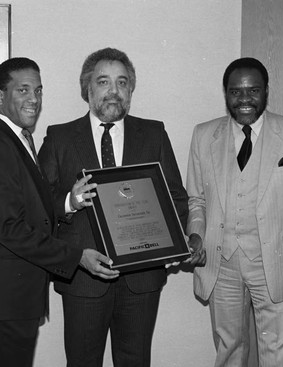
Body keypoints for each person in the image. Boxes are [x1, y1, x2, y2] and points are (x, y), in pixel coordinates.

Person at [38, 47, 188, 367]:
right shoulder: (60, 137)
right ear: (87, 89)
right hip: (82, 278)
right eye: (103, 82)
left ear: (130, 90)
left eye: (122, 83)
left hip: (142, 280)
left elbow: (176, 198)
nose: (113, 91)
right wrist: (70, 201)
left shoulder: (153, 133)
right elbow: (37, 208)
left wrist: (174, 245)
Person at [0, 57, 119, 367]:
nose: (34, 99)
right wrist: (76, 256)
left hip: (16, 295)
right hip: (4, 299)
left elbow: (30, 209)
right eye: (23, 90)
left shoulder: (18, 140)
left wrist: (69, 203)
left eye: (38, 90)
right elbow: (12, 229)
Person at [186, 57, 283, 366]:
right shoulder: (204, 135)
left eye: (253, 91)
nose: (245, 99)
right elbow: (197, 200)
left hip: (276, 264)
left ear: (266, 92)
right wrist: (195, 234)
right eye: (236, 92)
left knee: (276, 352)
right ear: (226, 94)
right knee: (229, 349)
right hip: (222, 262)